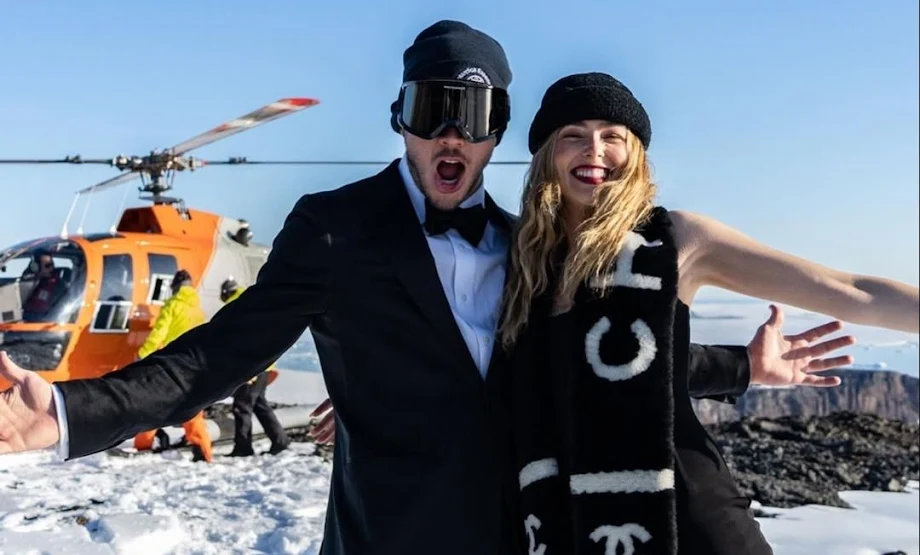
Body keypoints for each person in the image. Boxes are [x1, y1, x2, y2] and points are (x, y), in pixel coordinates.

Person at [0, 21, 856, 555]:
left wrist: (745, 366)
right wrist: (70, 412)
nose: (451, 134)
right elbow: (215, 356)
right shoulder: (335, 229)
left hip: (522, 535)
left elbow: (603, 356)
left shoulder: (530, 247)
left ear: (498, 135)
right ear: (399, 119)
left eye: (473, 117)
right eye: (430, 110)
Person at [503, 72, 920, 554]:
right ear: (546, 155)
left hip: (693, 520)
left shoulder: (677, 241)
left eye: (612, 136)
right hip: (572, 529)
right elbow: (603, 370)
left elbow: (850, 291)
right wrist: (741, 366)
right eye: (573, 136)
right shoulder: (525, 266)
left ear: (634, 155)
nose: (594, 150)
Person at [132, 269, 213, 463]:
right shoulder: (197, 308)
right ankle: (203, 450)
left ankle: (143, 445)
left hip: (175, 362)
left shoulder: (173, 306)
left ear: (175, 287)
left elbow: (158, 333)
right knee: (192, 408)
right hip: (197, 364)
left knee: (153, 403)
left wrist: (143, 354)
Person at [219, 278, 290, 457]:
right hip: (265, 364)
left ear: (225, 293)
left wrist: (247, 370)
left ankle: (243, 447)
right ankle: (280, 441)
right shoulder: (251, 300)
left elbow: (241, 341)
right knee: (259, 404)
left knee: (242, 406)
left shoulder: (235, 307)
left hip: (251, 366)